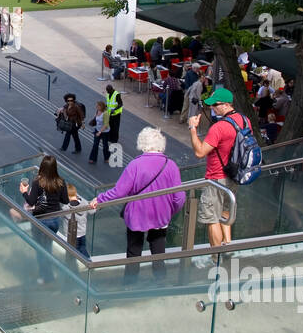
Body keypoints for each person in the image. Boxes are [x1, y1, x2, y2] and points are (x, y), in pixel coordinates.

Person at [90, 127, 186, 281]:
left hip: (137, 214)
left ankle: (130, 283)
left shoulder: (135, 164)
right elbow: (179, 197)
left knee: (134, 251)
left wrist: (100, 199)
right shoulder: (171, 165)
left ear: (142, 143)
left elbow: (120, 192)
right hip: (161, 215)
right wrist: (170, 211)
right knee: (159, 251)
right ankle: (160, 281)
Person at [187, 87, 249, 253]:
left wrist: (193, 128)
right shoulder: (244, 120)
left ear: (226, 105)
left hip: (216, 178)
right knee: (226, 212)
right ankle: (228, 247)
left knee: (212, 218)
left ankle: (217, 256)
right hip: (234, 175)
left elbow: (200, 152)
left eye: (215, 105)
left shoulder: (219, 128)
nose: (212, 108)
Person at [18, 155, 69, 285]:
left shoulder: (38, 183)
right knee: (48, 246)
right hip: (55, 219)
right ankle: (48, 273)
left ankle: (46, 276)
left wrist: (24, 191)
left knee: (41, 249)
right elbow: (65, 200)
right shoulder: (61, 182)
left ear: (42, 167)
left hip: (40, 220)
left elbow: (31, 201)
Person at [105, 83, 123, 148]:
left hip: (116, 114)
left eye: (108, 91)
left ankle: (115, 140)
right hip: (110, 113)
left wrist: (114, 109)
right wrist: (105, 106)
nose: (107, 92)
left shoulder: (117, 94)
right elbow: (108, 103)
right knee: (110, 126)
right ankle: (110, 138)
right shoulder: (108, 94)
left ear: (111, 90)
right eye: (107, 91)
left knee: (115, 127)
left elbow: (120, 104)